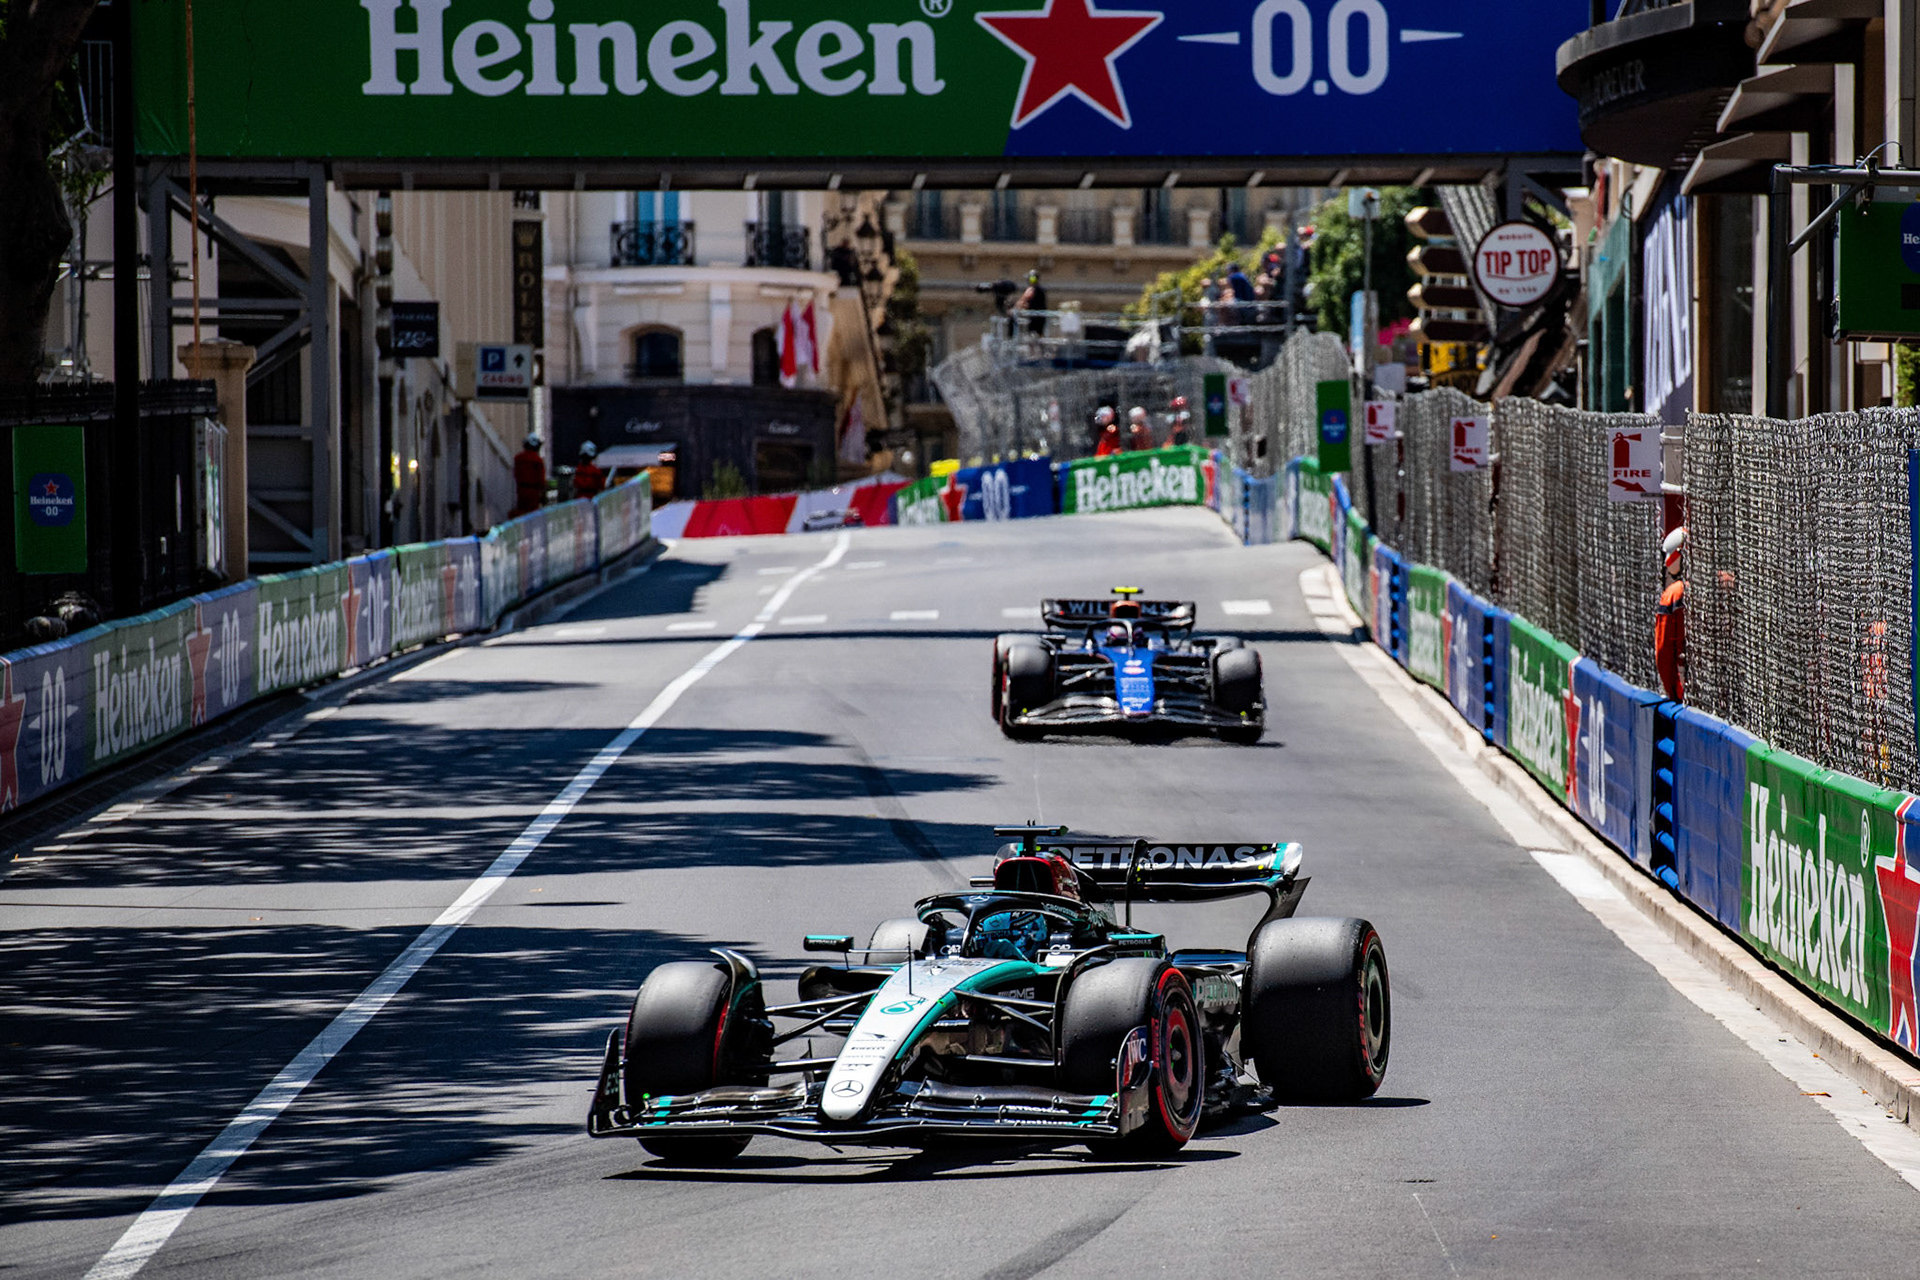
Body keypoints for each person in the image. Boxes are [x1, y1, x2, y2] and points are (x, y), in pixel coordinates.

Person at [1655, 526, 1687, 701]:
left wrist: (1672, 691)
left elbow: (1663, 650)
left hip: (1686, 688)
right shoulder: (1726, 583)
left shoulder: (1674, 594)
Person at [511, 433, 547, 518]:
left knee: (521, 514)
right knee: (532, 516)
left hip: (520, 490)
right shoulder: (537, 460)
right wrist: (543, 494)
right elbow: (541, 479)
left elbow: (516, 474)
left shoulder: (518, 458)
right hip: (533, 493)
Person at [1015, 270, 1048, 336]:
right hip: (1041, 318)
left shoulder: (1031, 289)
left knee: (1031, 336)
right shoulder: (1041, 290)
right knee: (1039, 335)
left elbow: (1023, 300)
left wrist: (1016, 308)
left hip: (1033, 319)